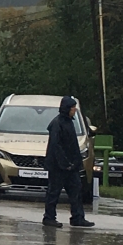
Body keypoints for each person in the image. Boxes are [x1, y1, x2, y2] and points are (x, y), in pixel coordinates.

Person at [44, 95, 94, 228]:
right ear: (66, 108)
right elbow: (56, 146)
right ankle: (49, 217)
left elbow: (71, 146)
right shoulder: (57, 123)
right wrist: (64, 163)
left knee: (76, 191)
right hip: (58, 167)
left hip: (71, 167)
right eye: (72, 108)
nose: (75, 110)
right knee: (53, 192)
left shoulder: (69, 122)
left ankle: (78, 217)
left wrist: (76, 163)